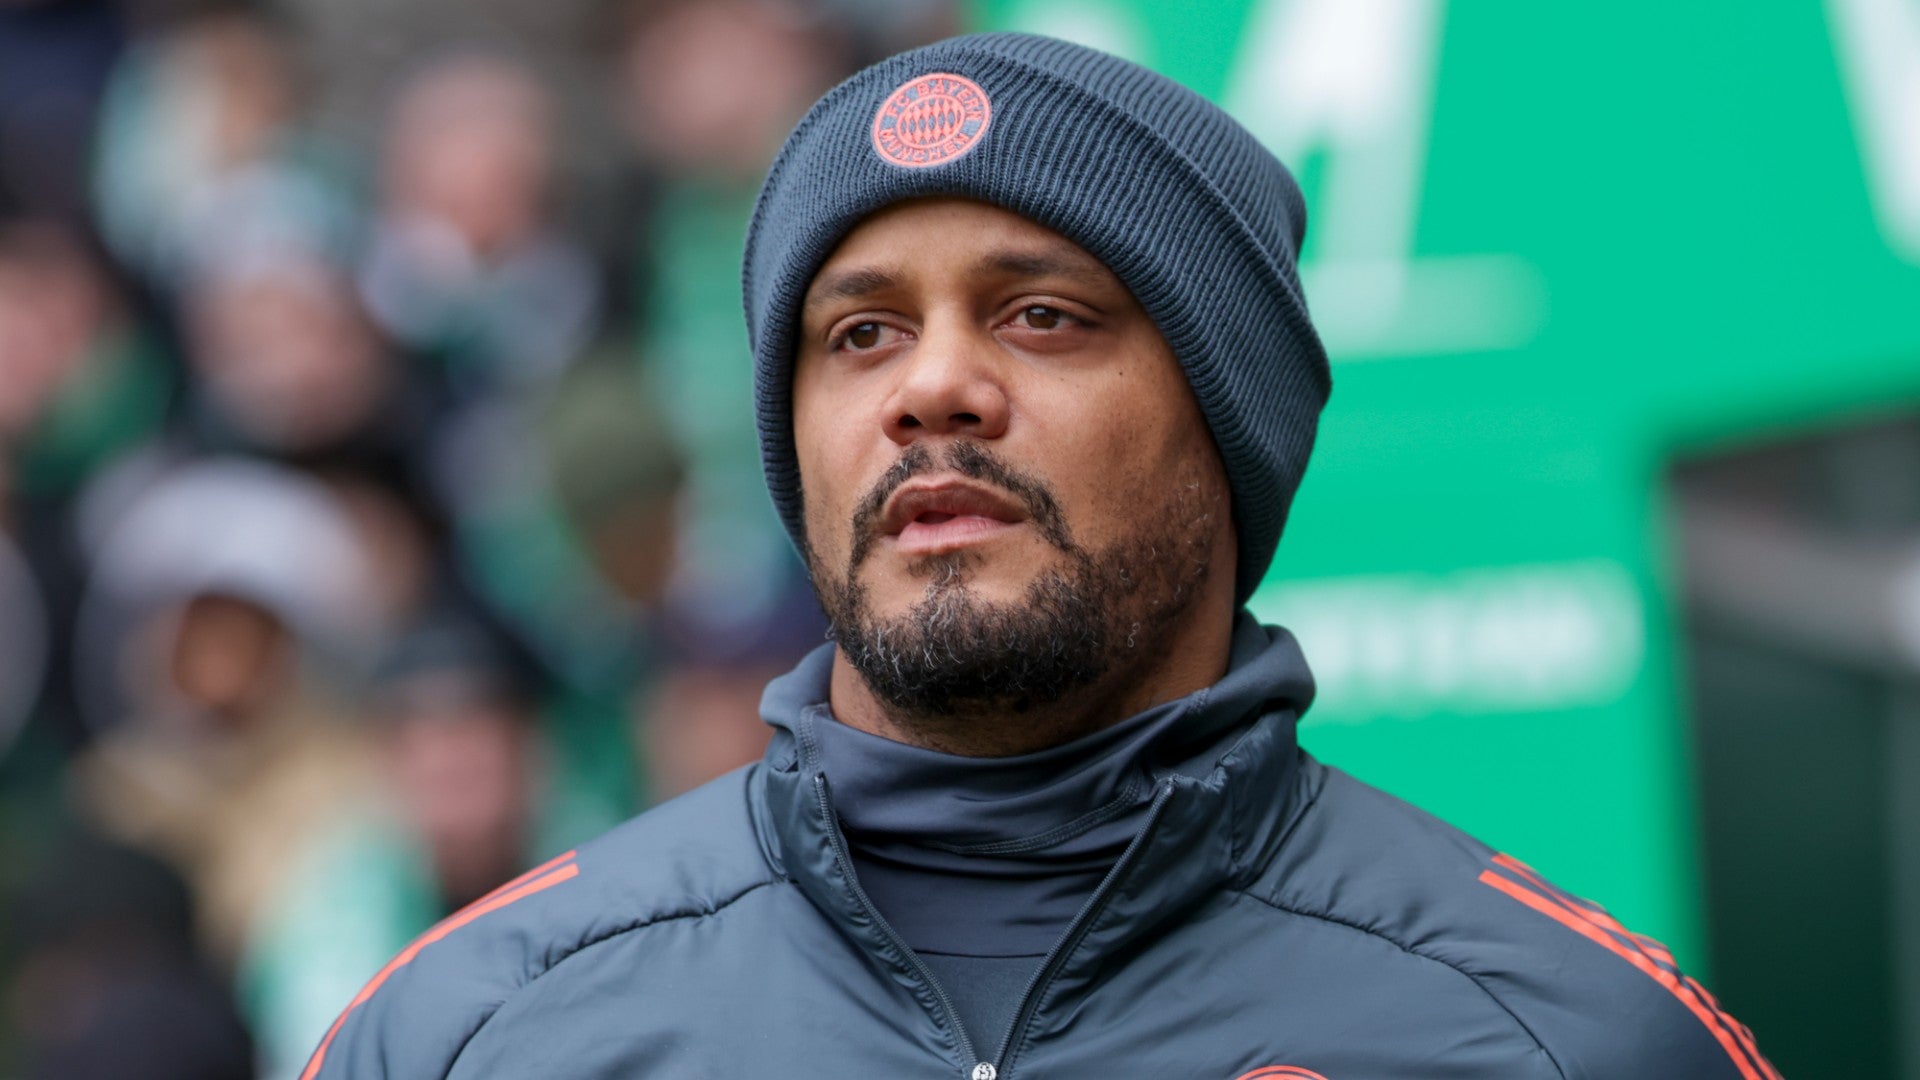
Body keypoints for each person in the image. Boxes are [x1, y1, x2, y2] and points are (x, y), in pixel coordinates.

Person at [302, 33, 1776, 1079]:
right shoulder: (471, 1031)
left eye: (1042, 315)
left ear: (1224, 418)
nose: (928, 389)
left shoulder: (1565, 1037)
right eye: (859, 332)